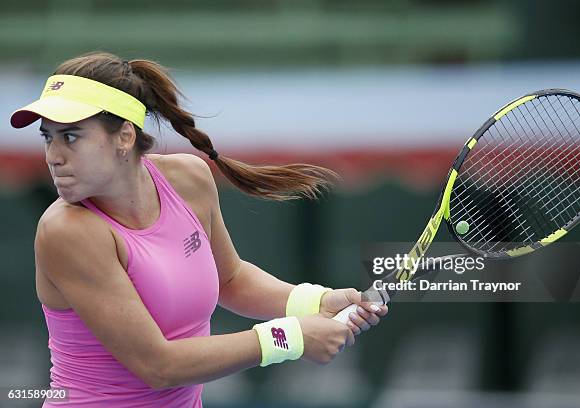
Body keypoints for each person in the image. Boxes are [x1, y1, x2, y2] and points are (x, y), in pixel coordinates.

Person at [9, 51, 388, 407]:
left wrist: (316, 302)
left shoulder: (187, 178)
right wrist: (290, 337)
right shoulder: (66, 231)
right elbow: (158, 366)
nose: (53, 156)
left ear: (125, 136)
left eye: (71, 137)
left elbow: (231, 279)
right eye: (48, 137)